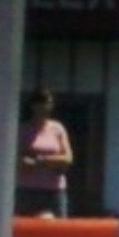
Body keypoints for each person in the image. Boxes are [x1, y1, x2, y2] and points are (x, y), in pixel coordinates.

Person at [16, 86, 73, 218]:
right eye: (41, 104)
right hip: (28, 190)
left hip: (55, 190)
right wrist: (52, 162)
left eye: (48, 103)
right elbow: (18, 160)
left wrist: (39, 160)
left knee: (59, 231)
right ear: (33, 106)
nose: (44, 108)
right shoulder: (23, 129)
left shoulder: (58, 128)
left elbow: (67, 159)